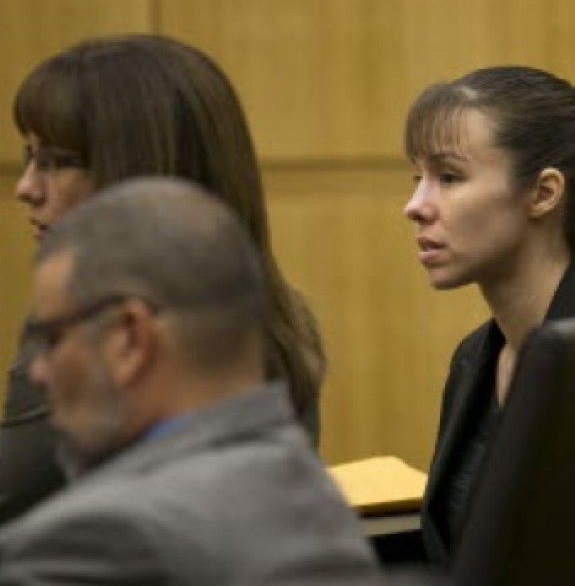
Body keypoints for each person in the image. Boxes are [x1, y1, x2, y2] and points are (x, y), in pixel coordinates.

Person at [2, 34, 326, 525]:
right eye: (29, 157)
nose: (26, 188)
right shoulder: (276, 314)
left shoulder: (92, 325)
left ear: (142, 175)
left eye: (59, 162)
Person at [0, 178, 378, 583]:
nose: (38, 370)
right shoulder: (309, 488)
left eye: (53, 338)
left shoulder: (94, 541)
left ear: (130, 338)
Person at [402, 65, 575, 565]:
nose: (414, 206)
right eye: (419, 179)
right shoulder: (475, 356)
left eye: (449, 177)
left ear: (543, 193)